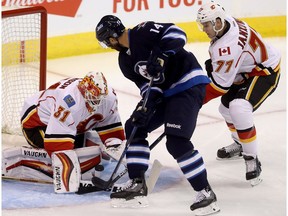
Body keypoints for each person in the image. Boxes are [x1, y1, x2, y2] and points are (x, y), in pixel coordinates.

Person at [95, 15, 220, 215]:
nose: (108, 46)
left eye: (106, 42)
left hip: (187, 84)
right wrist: (146, 106)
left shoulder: (143, 31)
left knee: (176, 141)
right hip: (167, 94)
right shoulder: (125, 61)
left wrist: (161, 54)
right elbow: (147, 86)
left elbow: (178, 34)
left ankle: (205, 193)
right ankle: (137, 184)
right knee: (135, 127)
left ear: (111, 38)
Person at [196, 1, 281, 186]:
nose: (204, 29)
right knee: (225, 109)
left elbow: (219, 87)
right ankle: (241, 144)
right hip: (247, 70)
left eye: (206, 25)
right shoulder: (228, 23)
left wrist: (194, 101)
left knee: (239, 107)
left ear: (218, 22)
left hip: (265, 71)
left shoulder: (227, 45)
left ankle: (252, 159)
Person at [2, 71, 126, 193]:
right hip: (37, 125)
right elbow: (56, 145)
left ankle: (79, 144)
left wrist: (115, 144)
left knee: (84, 150)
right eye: (93, 97)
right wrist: (70, 174)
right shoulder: (69, 101)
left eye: (99, 98)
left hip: (70, 124)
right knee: (73, 156)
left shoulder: (109, 97)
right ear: (83, 90)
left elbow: (110, 125)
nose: (96, 102)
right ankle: (26, 161)